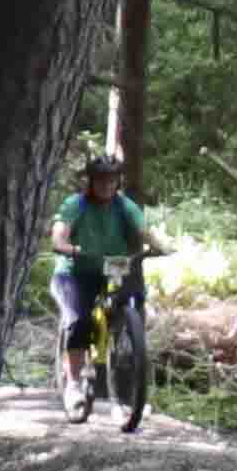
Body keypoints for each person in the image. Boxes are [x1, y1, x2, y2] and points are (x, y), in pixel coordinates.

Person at [51, 150, 157, 407]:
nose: (106, 185)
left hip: (110, 268)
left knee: (131, 303)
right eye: (100, 180)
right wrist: (66, 247)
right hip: (74, 273)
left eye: (111, 180)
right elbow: (59, 235)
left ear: (118, 181)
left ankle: (121, 369)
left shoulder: (125, 206)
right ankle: (73, 384)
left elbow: (143, 231)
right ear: (91, 181)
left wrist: (158, 245)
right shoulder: (75, 204)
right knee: (79, 320)